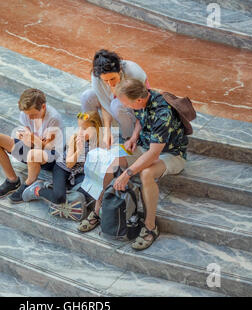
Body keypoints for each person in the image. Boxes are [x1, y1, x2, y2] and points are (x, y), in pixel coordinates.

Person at [79, 78, 189, 251]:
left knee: (146, 174)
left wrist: (127, 173)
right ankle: (99, 210)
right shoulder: (144, 98)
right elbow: (140, 119)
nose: (126, 107)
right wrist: (133, 137)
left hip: (171, 153)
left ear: (138, 100)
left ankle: (150, 227)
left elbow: (154, 154)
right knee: (111, 161)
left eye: (127, 103)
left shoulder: (163, 113)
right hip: (145, 145)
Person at [0, 88, 63, 203]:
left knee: (33, 154)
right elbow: (28, 135)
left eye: (33, 115)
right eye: (27, 115)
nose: (30, 118)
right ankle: (12, 180)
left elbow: (49, 147)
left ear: (43, 107)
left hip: (51, 156)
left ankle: (30, 183)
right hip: (34, 147)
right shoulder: (25, 113)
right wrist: (23, 137)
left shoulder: (54, 118)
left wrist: (33, 139)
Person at [22, 111, 102, 206]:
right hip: (62, 168)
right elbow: (69, 164)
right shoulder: (75, 138)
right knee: (59, 198)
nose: (80, 131)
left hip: (78, 172)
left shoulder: (100, 142)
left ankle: (58, 188)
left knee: (94, 188)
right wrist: (79, 151)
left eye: (84, 129)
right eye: (79, 127)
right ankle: (38, 190)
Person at [81, 49, 150, 147]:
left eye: (113, 78)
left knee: (117, 105)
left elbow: (144, 105)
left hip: (135, 109)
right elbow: (104, 105)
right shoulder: (96, 77)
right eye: (106, 80)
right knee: (87, 97)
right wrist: (107, 130)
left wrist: (134, 136)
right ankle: (93, 135)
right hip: (112, 107)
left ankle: (127, 138)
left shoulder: (134, 74)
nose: (110, 84)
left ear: (120, 70)